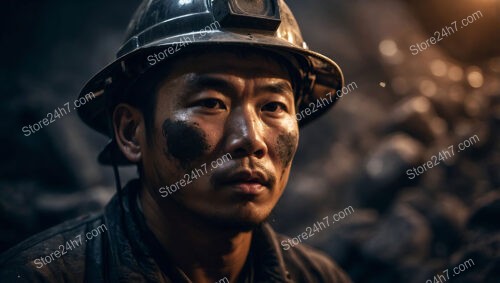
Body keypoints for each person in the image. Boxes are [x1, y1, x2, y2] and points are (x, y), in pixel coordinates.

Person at [0, 0, 351, 282]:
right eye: (211, 103)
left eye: (273, 106)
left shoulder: (319, 276)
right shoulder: (40, 274)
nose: (252, 139)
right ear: (131, 132)